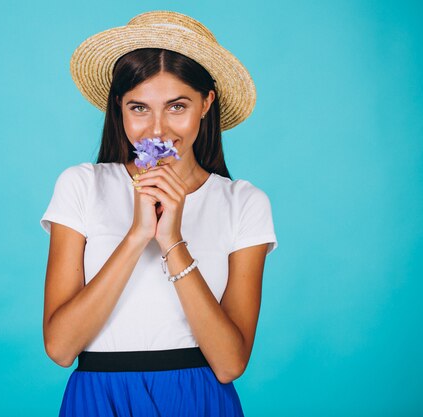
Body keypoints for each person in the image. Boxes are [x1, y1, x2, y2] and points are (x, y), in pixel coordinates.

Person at [39, 10, 278, 417]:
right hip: (100, 400)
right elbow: (61, 348)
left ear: (207, 103)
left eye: (177, 106)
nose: (157, 130)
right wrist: (137, 235)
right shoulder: (81, 185)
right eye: (139, 108)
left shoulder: (243, 202)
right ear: (120, 108)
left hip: (197, 398)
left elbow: (230, 362)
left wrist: (171, 240)